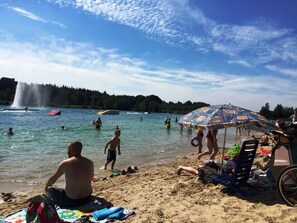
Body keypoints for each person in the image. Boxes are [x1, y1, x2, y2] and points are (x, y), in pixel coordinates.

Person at [45, 141, 94, 208]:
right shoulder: (90, 162)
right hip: (87, 199)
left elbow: (53, 179)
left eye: (68, 149)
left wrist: (46, 188)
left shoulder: (66, 163)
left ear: (71, 149)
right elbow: (91, 178)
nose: (67, 151)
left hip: (70, 201)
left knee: (50, 189)